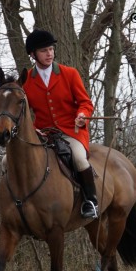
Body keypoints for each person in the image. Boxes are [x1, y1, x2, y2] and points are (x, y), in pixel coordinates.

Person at [23, 29, 98, 219]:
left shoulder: (69, 74)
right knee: (6, 161)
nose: (49, 54)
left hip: (70, 131)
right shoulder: (27, 82)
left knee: (80, 159)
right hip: (43, 134)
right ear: (33, 54)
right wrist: (33, 130)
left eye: (51, 49)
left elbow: (85, 103)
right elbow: (23, 114)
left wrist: (82, 115)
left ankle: (91, 200)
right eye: (43, 51)